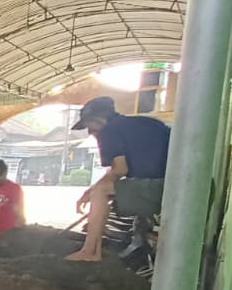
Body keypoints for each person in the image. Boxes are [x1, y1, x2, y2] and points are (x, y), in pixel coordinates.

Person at [65, 96, 171, 262]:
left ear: (98, 120)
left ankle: (90, 251)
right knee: (106, 192)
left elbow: (120, 170)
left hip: (163, 188)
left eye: (89, 127)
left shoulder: (108, 131)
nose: (90, 133)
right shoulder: (146, 123)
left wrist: (92, 192)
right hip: (177, 184)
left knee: (101, 190)